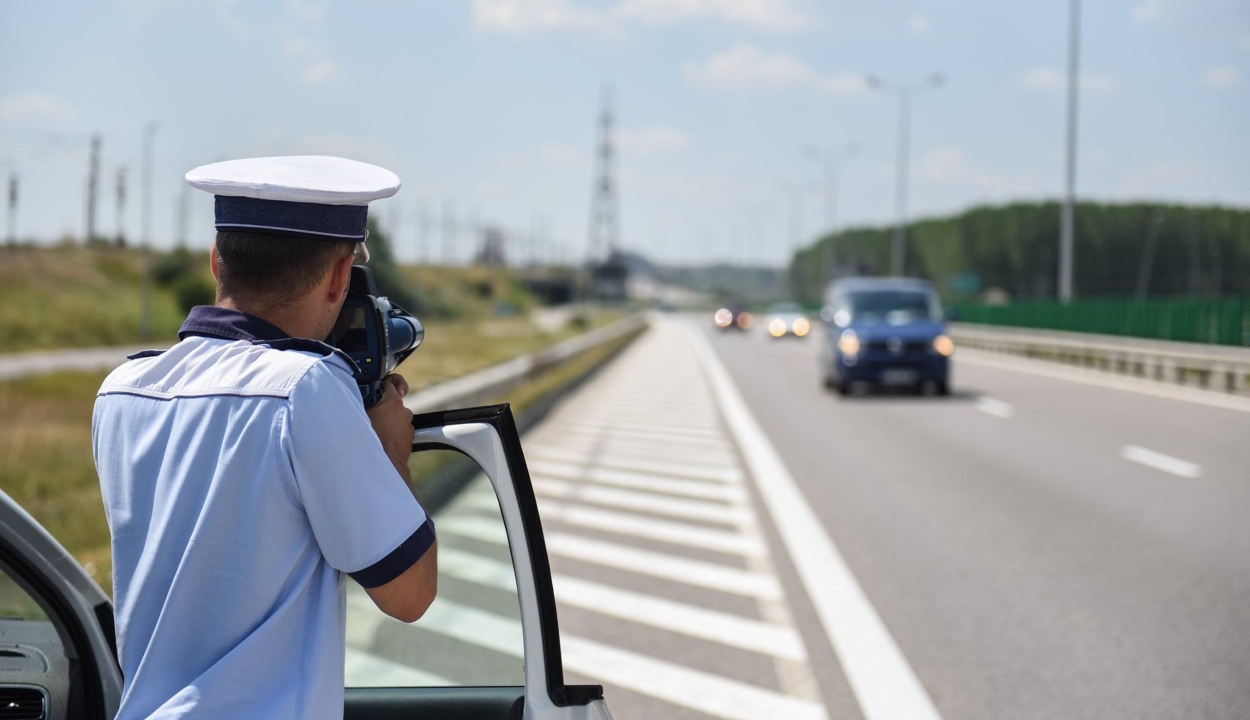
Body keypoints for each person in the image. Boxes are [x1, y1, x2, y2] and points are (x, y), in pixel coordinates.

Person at [93, 156, 437, 719]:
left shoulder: (123, 389)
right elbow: (410, 594)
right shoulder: (305, 389)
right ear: (338, 277)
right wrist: (393, 453)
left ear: (215, 262)